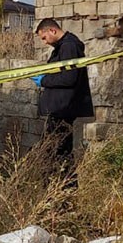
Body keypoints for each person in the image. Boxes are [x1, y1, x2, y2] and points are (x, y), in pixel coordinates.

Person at [33, 18, 93, 186]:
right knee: (58, 154)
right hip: (59, 109)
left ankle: (62, 195)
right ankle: (60, 195)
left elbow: (69, 78)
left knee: (57, 155)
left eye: (44, 37)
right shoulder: (64, 47)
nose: (44, 42)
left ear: (52, 30)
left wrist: (44, 80)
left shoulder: (68, 47)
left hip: (63, 110)